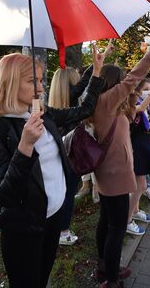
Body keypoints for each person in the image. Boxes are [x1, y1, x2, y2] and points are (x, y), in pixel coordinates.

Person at [0, 48, 105, 288]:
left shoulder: (40, 113)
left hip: (53, 215)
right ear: (11, 82)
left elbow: (83, 111)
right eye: (32, 81)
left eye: (41, 78)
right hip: (24, 226)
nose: (41, 87)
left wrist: (96, 74)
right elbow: (5, 195)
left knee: (43, 276)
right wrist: (25, 146)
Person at [91, 23, 150, 288]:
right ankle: (111, 278)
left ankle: (104, 266)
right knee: (116, 228)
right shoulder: (107, 101)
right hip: (116, 175)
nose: (127, 82)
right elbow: (135, 77)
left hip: (109, 173)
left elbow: (132, 103)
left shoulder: (106, 105)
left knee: (106, 223)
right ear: (114, 83)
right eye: (121, 79)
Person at [47, 41, 113, 247]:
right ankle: (63, 230)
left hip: (58, 151)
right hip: (72, 150)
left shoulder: (55, 101)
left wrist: (98, 63)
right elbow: (85, 87)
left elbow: (82, 83)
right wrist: (96, 69)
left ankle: (58, 227)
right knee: (67, 191)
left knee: (62, 189)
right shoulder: (72, 99)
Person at [126, 76, 150, 236]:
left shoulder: (136, 101)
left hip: (142, 142)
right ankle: (127, 220)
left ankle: (135, 211)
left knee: (139, 184)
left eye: (148, 89)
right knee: (139, 185)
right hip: (136, 145)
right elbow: (138, 110)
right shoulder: (130, 103)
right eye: (144, 89)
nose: (146, 93)